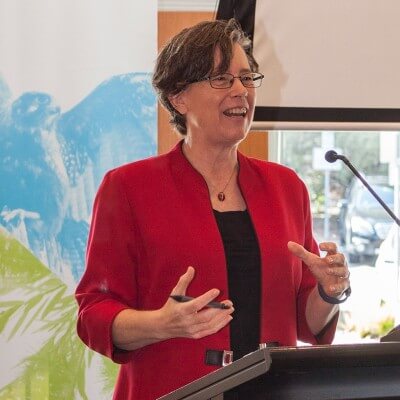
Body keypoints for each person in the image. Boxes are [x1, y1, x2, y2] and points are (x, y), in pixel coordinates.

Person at [75, 18, 351, 400]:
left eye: (247, 77)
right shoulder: (127, 188)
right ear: (178, 96)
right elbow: (93, 314)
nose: (241, 91)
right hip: (171, 390)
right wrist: (163, 324)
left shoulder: (287, 188)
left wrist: (329, 291)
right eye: (221, 78)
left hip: (272, 391)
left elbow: (306, 320)